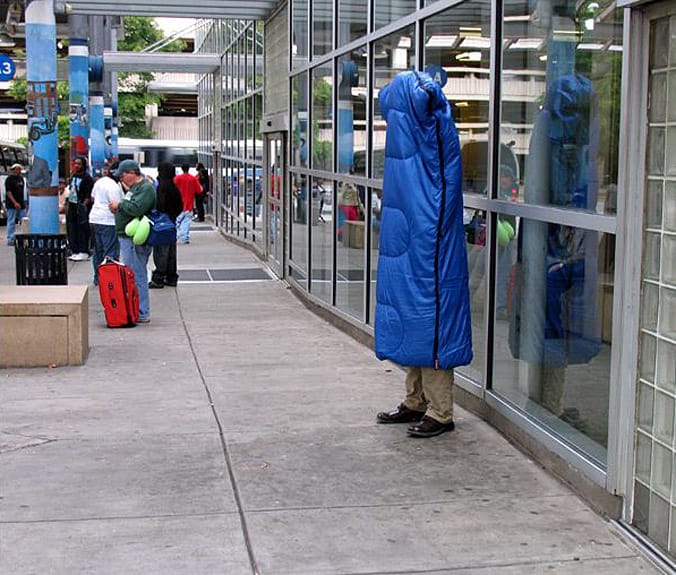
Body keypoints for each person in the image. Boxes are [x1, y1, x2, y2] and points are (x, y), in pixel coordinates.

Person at [374, 71, 472, 438]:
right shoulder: (414, 137)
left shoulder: (435, 131)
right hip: (414, 237)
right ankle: (415, 401)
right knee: (415, 320)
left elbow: (441, 187)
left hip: (429, 243)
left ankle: (441, 412)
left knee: (431, 324)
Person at [109, 159, 157, 324]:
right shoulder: (136, 188)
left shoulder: (145, 189)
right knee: (134, 273)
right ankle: (136, 308)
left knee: (137, 274)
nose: (121, 178)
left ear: (131, 173)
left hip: (135, 239)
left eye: (122, 175)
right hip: (128, 237)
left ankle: (142, 311)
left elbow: (137, 208)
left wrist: (120, 205)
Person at [149, 162, 183, 289]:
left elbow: (160, 205)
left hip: (162, 223)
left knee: (161, 252)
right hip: (171, 222)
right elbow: (180, 205)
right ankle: (171, 276)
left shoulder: (162, 186)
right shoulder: (173, 186)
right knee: (171, 252)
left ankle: (159, 278)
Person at [89, 162, 123, 286]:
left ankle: (98, 278)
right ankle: (109, 279)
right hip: (108, 221)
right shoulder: (113, 186)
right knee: (110, 251)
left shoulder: (100, 182)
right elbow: (115, 206)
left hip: (94, 218)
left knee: (97, 250)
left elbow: (93, 198)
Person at [66, 156, 94, 261]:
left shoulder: (87, 178)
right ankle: (75, 250)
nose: (76, 166)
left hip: (82, 206)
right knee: (72, 228)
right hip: (72, 205)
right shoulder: (73, 176)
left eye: (79, 164)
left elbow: (88, 195)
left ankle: (84, 250)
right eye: (75, 163)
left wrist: (83, 206)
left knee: (82, 229)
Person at [174, 163, 201, 244]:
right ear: (188, 169)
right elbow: (199, 190)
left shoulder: (177, 178)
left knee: (176, 222)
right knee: (186, 222)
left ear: (182, 169)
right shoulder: (193, 179)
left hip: (178, 205)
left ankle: (175, 236)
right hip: (189, 204)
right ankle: (185, 237)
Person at [4, 163, 26, 246]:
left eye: (19, 169)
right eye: (17, 169)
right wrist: (14, 202)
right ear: (13, 170)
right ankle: (10, 238)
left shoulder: (21, 179)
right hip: (11, 204)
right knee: (11, 221)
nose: (19, 171)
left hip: (21, 203)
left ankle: (24, 238)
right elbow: (8, 192)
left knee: (23, 221)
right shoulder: (9, 179)